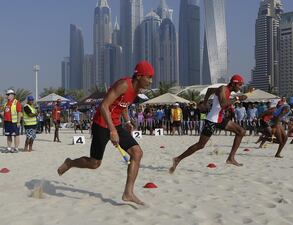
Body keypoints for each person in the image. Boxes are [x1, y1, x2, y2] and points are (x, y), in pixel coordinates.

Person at [57, 60, 154, 205]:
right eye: (149, 77)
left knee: (137, 153)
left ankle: (128, 193)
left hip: (116, 124)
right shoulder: (123, 85)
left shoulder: (136, 90)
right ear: (139, 76)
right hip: (101, 124)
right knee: (95, 163)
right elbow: (104, 106)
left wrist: (127, 121)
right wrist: (112, 130)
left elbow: (124, 106)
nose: (151, 81)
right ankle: (70, 163)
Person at [169, 74, 248, 173]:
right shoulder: (223, 89)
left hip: (219, 119)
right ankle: (177, 159)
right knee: (200, 145)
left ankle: (231, 158)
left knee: (241, 131)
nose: (240, 87)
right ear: (234, 83)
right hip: (211, 121)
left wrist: (205, 102)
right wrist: (237, 99)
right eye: (239, 85)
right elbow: (223, 103)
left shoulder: (225, 90)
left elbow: (210, 90)